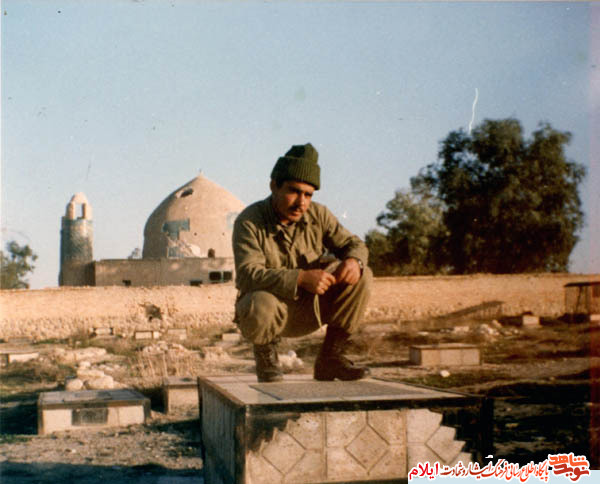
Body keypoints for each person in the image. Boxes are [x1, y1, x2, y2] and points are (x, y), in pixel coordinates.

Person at [232, 143, 373, 382]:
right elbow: (247, 274)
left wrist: (353, 260)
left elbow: (355, 244)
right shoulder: (250, 221)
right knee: (259, 301)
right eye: (294, 191)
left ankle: (331, 359)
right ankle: (267, 361)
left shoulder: (319, 215)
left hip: (312, 310)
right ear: (274, 186)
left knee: (363, 274)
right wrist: (300, 278)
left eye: (308, 195)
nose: (301, 203)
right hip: (271, 314)